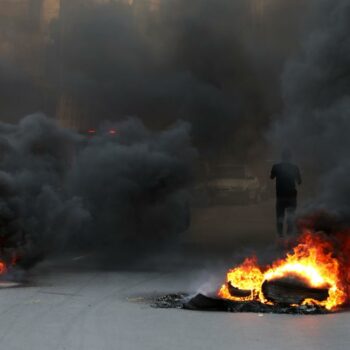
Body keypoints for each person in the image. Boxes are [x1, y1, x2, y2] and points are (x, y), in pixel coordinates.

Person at [270, 149, 302, 237]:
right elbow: (299, 182)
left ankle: (280, 235)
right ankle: (289, 235)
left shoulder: (276, 167)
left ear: (282, 157)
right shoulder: (295, 168)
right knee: (290, 216)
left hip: (280, 196)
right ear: (290, 158)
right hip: (291, 196)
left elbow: (271, 177)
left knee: (280, 217)